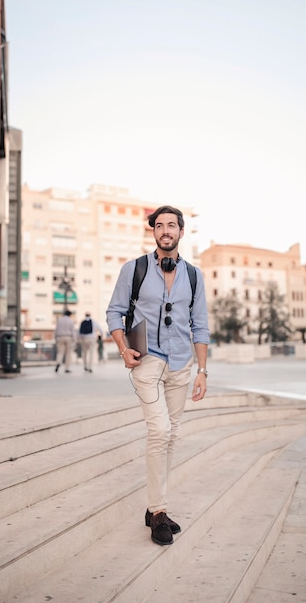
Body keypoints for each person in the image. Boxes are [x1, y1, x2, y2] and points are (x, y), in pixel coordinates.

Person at [106, 205, 210, 546]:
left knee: (171, 436)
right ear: (153, 232)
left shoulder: (194, 276)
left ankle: (155, 509)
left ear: (181, 232)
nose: (165, 230)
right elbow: (115, 312)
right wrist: (124, 349)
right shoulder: (133, 269)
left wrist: (202, 370)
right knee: (160, 430)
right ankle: (159, 512)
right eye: (159, 225)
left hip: (182, 365)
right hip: (146, 363)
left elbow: (201, 326)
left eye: (172, 225)